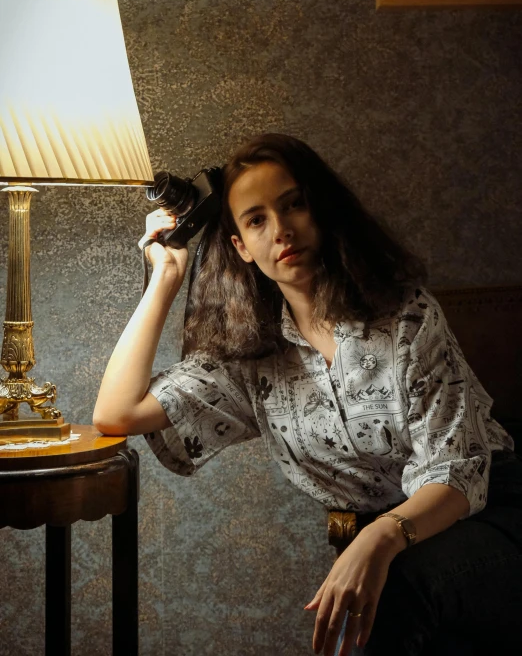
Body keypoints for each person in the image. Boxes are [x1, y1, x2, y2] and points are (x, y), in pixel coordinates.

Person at [93, 133, 522, 656]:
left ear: (320, 210)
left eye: (293, 204)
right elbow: (115, 414)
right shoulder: (254, 360)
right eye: (256, 220)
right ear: (240, 248)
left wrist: (374, 539)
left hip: (491, 513)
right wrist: (164, 281)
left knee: (397, 587)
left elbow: (457, 472)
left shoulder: (406, 317)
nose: (282, 229)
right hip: (391, 546)